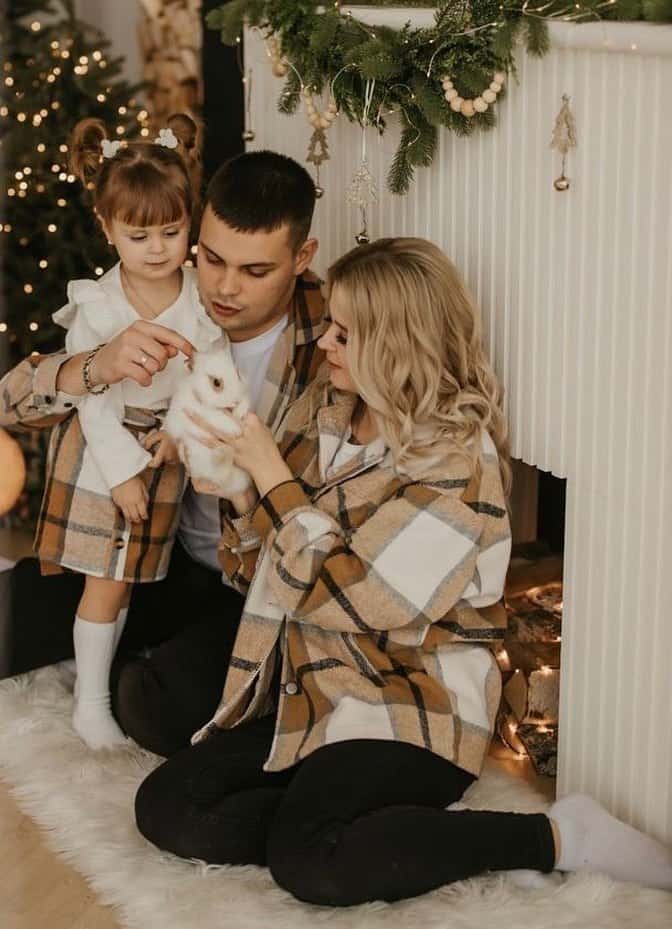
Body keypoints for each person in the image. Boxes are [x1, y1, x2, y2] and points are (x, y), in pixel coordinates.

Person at [134, 238, 672, 904]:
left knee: (311, 862)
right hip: (314, 679)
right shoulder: (325, 408)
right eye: (330, 324)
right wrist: (239, 490)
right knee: (167, 805)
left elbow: (363, 600)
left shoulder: (455, 459)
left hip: (412, 699)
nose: (325, 342)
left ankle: (556, 837)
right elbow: (259, 574)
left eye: (345, 333)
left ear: (395, 345)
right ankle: (381, 831)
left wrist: (270, 472)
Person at [0, 149, 325, 758]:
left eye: (255, 271)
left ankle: (141, 654)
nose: (225, 288)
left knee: (151, 709)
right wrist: (94, 367)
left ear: (301, 258)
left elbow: (315, 522)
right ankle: (121, 632)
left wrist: (223, 464)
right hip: (146, 547)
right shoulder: (150, 295)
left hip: (248, 582)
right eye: (210, 258)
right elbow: (7, 406)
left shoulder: (329, 345)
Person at [35, 114, 223, 750]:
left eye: (172, 232)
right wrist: (120, 475)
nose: (158, 248)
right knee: (106, 580)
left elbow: (211, 369)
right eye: (139, 234)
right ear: (106, 227)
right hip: (107, 452)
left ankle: (98, 679)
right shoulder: (99, 305)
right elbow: (90, 400)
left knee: (131, 579)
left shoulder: (197, 298)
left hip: (163, 449)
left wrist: (181, 431)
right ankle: (90, 703)